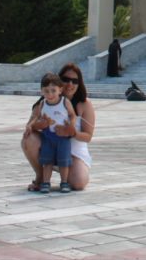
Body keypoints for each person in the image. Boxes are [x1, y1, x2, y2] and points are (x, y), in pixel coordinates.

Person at [22, 62, 96, 191]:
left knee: (79, 183)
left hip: (74, 152)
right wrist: (40, 125)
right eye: (66, 80)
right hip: (49, 144)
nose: (70, 84)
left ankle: (64, 172)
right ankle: (41, 177)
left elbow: (88, 136)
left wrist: (72, 132)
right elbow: (30, 125)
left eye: (75, 81)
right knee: (28, 139)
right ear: (59, 82)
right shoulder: (45, 101)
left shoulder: (84, 104)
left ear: (80, 83)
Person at [29, 72, 76, 193]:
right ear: (41, 91)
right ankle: (46, 182)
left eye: (53, 90)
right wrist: (33, 124)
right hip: (48, 137)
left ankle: (64, 182)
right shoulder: (42, 104)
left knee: (64, 162)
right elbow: (35, 117)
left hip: (63, 137)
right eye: (46, 91)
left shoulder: (65, 102)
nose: (50, 94)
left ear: (60, 90)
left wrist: (71, 125)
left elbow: (72, 115)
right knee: (47, 161)